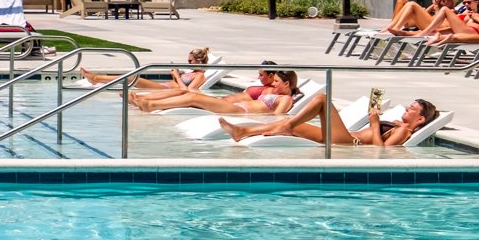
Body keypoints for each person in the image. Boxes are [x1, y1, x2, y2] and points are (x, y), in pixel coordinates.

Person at [220, 91, 439, 148]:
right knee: (299, 126)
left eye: (413, 108)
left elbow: (382, 151)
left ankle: (287, 126)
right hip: (345, 137)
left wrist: (374, 124)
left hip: (349, 142)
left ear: (420, 120)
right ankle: (243, 132)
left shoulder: (404, 131)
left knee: (322, 100)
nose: (407, 108)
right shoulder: (398, 124)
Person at [155, 66, 298, 117]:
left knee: (193, 98)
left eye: (277, 82)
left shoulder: (285, 99)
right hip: (236, 108)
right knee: (192, 98)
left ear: (287, 84)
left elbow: (277, 117)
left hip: (240, 112)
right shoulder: (275, 94)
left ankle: (152, 105)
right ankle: (151, 102)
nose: (274, 83)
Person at [85, 47, 207, 101]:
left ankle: (97, 78)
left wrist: (176, 76)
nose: (188, 62)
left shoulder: (200, 76)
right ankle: (97, 78)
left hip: (164, 89)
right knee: (131, 78)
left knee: (133, 78)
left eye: (190, 60)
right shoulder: (192, 72)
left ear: (199, 61)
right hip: (162, 86)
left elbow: (188, 91)